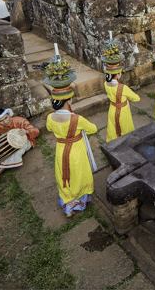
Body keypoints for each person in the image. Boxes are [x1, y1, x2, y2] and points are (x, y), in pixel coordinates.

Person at [45, 68, 98, 218]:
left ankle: (68, 206)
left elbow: (50, 128)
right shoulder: (77, 119)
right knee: (79, 173)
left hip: (61, 149)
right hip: (76, 150)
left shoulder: (50, 118)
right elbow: (92, 129)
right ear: (69, 100)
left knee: (64, 175)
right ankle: (81, 200)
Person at [104, 71, 141, 142]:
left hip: (112, 109)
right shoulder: (123, 88)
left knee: (112, 127)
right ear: (117, 74)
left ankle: (112, 144)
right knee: (126, 128)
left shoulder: (106, 84)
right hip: (123, 111)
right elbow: (137, 98)